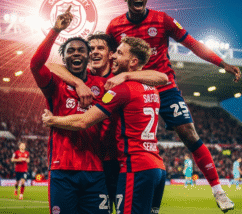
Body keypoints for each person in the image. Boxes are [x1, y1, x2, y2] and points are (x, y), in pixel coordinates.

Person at [105, 0, 242, 211]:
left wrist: (223, 64)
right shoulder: (114, 26)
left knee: (189, 133)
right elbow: (108, 57)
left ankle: (218, 191)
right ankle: (110, 190)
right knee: (114, 137)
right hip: (129, 91)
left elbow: (193, 44)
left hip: (164, 88)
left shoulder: (161, 19)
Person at [42, 36, 166, 214]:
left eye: (100, 48)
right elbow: (50, 66)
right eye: (90, 48)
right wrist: (78, 82)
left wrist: (52, 120)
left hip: (124, 162)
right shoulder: (87, 78)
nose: (94, 52)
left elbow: (162, 76)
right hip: (105, 163)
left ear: (110, 54)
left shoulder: (118, 83)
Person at [30, 8, 110, 214]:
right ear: (64, 58)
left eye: (81, 50)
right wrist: (55, 30)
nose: (76, 53)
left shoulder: (102, 85)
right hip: (62, 171)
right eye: (70, 51)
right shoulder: (54, 84)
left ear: (88, 56)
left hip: (96, 171)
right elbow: (36, 64)